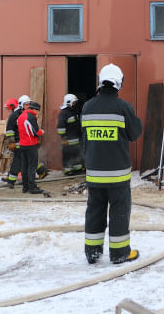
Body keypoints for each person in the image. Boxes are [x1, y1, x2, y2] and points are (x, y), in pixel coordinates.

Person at [82, 64, 143, 264]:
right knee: (119, 212)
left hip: (94, 173)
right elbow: (134, 135)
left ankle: (92, 252)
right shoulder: (123, 107)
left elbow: (85, 140)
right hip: (118, 175)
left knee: (94, 211)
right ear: (119, 82)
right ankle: (119, 253)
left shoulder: (87, 107)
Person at [2, 95, 48, 185]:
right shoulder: (14, 116)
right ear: (21, 105)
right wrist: (11, 142)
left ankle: (12, 179)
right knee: (20, 159)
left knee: (26, 159)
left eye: (29, 104)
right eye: (26, 104)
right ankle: (12, 179)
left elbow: (34, 128)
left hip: (29, 141)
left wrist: (37, 139)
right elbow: (9, 130)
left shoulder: (29, 115)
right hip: (18, 142)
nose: (28, 106)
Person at [16, 101, 45, 194]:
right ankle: (32, 188)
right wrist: (42, 132)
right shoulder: (31, 117)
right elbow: (36, 131)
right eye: (38, 111)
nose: (38, 113)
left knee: (24, 166)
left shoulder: (21, 116)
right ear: (35, 109)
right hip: (31, 144)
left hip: (22, 144)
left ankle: (25, 187)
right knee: (32, 167)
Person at [57, 93, 84, 175]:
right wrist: (64, 138)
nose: (74, 104)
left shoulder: (74, 111)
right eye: (73, 102)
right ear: (68, 102)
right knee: (68, 155)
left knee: (76, 153)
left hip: (76, 139)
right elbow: (61, 128)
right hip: (68, 140)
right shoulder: (64, 113)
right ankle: (68, 170)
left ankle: (77, 169)